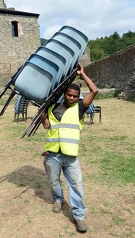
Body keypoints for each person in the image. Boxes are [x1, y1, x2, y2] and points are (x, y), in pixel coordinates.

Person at [40, 64, 98, 233]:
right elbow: (46, 126)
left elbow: (94, 91)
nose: (72, 98)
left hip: (70, 156)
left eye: (75, 96)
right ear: (64, 94)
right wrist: (43, 114)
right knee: (54, 181)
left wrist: (83, 74)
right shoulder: (52, 107)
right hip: (51, 154)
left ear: (78, 97)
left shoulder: (80, 107)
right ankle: (58, 199)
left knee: (76, 186)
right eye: (69, 95)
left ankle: (79, 216)